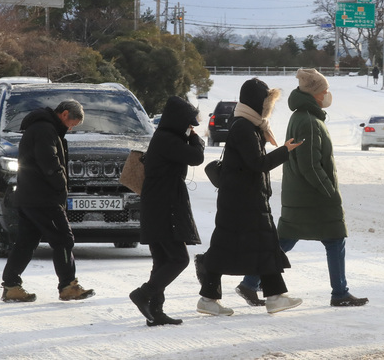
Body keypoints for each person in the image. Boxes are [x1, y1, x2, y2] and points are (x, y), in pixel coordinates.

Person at [238, 68, 368, 308]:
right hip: (313, 196)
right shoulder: (308, 120)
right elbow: (310, 163)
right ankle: (339, 293)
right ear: (316, 94)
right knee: (334, 239)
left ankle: (250, 282)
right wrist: (329, 191)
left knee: (287, 242)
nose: (328, 94)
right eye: (325, 90)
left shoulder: (305, 117)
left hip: (300, 194)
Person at [196, 78, 303, 316]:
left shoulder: (249, 124)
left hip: (241, 200)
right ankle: (270, 297)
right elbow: (257, 164)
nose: (268, 107)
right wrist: (285, 151)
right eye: (266, 102)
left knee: (257, 246)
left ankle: (271, 297)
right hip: (242, 201)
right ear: (257, 101)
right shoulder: (244, 126)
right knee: (252, 246)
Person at [1, 100, 95, 302]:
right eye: (72, 124)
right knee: (63, 239)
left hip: (31, 196)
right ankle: (68, 286)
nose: (70, 128)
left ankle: (11, 286)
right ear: (65, 114)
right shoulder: (45, 130)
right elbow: (49, 162)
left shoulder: (43, 127)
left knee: (26, 243)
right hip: (42, 197)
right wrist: (61, 184)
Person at [129, 96, 205, 327]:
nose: (190, 128)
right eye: (189, 123)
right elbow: (197, 157)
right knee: (179, 258)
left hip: (156, 203)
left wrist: (190, 136)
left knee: (162, 260)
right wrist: (196, 139)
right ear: (178, 121)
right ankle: (144, 294)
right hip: (164, 204)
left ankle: (156, 312)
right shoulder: (168, 140)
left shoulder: (164, 137)